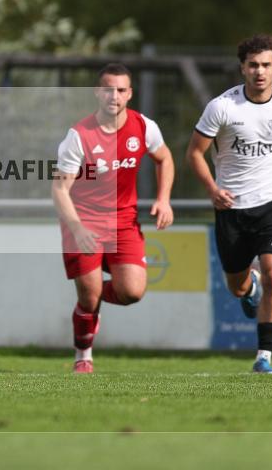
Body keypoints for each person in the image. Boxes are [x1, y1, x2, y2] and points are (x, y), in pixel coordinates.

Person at [186, 34, 272, 374]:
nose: (260, 72)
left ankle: (264, 356)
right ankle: (250, 286)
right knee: (238, 287)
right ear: (243, 68)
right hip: (231, 209)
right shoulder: (222, 107)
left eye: (266, 65)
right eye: (253, 65)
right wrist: (213, 189)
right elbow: (194, 154)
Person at [51, 63, 175, 374]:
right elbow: (59, 189)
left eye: (121, 90)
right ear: (97, 92)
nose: (114, 96)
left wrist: (163, 199)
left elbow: (165, 158)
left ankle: (91, 306)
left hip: (124, 221)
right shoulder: (79, 136)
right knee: (90, 296)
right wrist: (76, 227)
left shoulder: (144, 127)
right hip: (83, 220)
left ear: (130, 94)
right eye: (108, 89)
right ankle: (84, 355)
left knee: (132, 292)